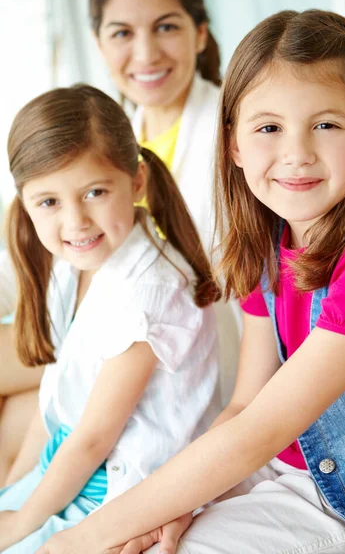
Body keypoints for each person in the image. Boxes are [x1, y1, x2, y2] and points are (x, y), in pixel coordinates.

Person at [38, 9, 345, 554]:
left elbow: (259, 431)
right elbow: (243, 408)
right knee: (138, 533)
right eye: (269, 128)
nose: (296, 154)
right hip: (285, 469)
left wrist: (77, 539)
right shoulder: (269, 246)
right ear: (233, 143)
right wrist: (178, 508)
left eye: (325, 124)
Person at [0, 0, 240, 477]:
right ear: (99, 42)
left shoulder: (239, 137)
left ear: (200, 33)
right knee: (17, 413)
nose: (146, 52)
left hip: (175, 354)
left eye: (166, 27)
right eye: (122, 33)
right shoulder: (110, 131)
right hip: (100, 338)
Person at [0, 84, 220, 552]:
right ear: (25, 202)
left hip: (115, 492)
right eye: (49, 202)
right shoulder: (70, 266)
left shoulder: (148, 290)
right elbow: (59, 399)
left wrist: (21, 524)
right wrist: (14, 496)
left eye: (95, 192)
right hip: (66, 470)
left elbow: (95, 439)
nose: (76, 220)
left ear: (136, 182)